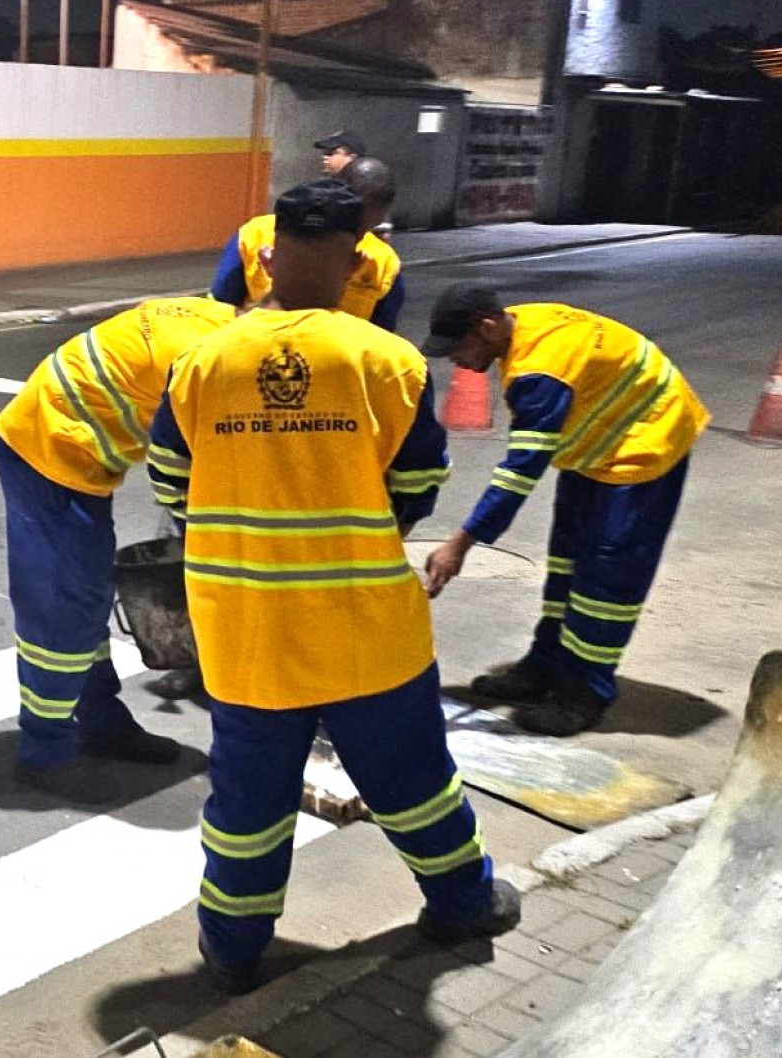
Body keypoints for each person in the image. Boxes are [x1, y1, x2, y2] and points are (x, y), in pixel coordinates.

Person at [149, 179, 520, 994]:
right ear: (356, 264)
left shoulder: (202, 361)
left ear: (269, 255)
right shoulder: (385, 361)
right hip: (364, 628)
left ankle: (232, 953)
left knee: (247, 801)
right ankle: (462, 903)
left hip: (245, 631)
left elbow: (172, 480)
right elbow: (419, 484)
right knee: (415, 781)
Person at [420, 285, 709, 736]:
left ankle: (585, 693)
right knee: (566, 563)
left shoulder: (540, 373)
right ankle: (546, 665)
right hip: (596, 442)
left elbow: (519, 473)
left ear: (486, 326)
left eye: (459, 347)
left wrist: (460, 544)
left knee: (605, 578)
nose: (454, 360)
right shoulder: (519, 326)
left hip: (645, 442)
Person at [0, 295, 240, 792]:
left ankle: (101, 723)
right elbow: (184, 477)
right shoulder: (209, 366)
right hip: (49, 452)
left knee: (86, 599)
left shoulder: (220, 316)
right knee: (63, 611)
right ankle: (44, 753)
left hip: (71, 446)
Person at [209, 156, 405, 331]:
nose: (357, 234)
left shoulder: (384, 264)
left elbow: (381, 340)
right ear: (268, 259)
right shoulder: (254, 234)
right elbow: (221, 310)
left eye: (366, 225)